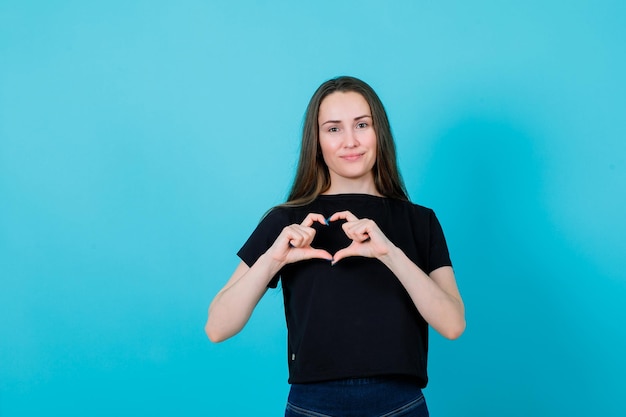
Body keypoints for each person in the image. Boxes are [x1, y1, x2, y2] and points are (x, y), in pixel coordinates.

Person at [205, 76, 465, 416]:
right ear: (316, 141)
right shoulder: (288, 222)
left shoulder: (420, 221)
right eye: (333, 129)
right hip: (313, 405)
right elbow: (217, 327)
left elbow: (453, 324)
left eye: (361, 124)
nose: (351, 141)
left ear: (379, 132)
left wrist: (390, 252)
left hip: (399, 404)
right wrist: (272, 260)